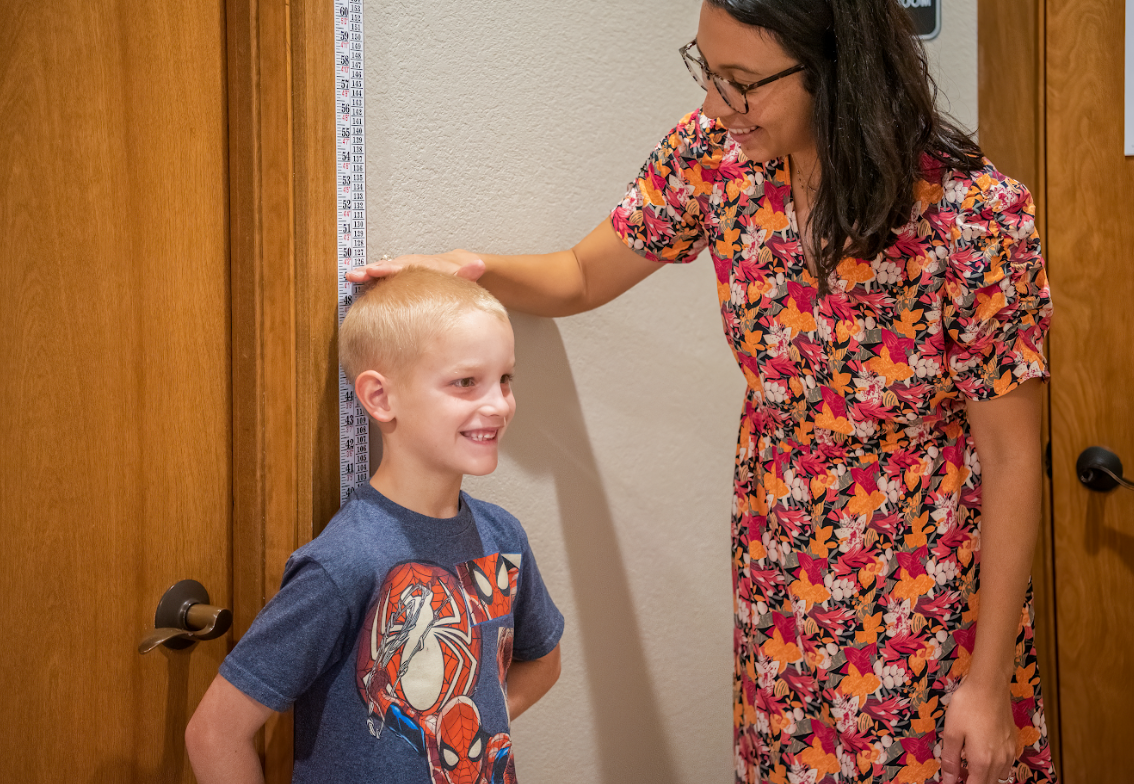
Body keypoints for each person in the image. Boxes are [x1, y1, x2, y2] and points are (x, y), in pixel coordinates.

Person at [348, 2, 1058, 784]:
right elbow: (585, 273)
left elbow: (1011, 456)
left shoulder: (975, 216)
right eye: (708, 72)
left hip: (925, 575)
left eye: (744, 84)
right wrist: (467, 266)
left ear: (837, 69)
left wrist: (988, 686)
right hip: (780, 552)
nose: (718, 106)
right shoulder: (716, 155)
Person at [185, 267, 564, 783]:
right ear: (380, 398)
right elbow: (213, 734)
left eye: (505, 379)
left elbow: (543, 662)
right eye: (466, 382)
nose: (498, 404)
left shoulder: (503, 536)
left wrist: (447, 735)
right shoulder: (345, 561)